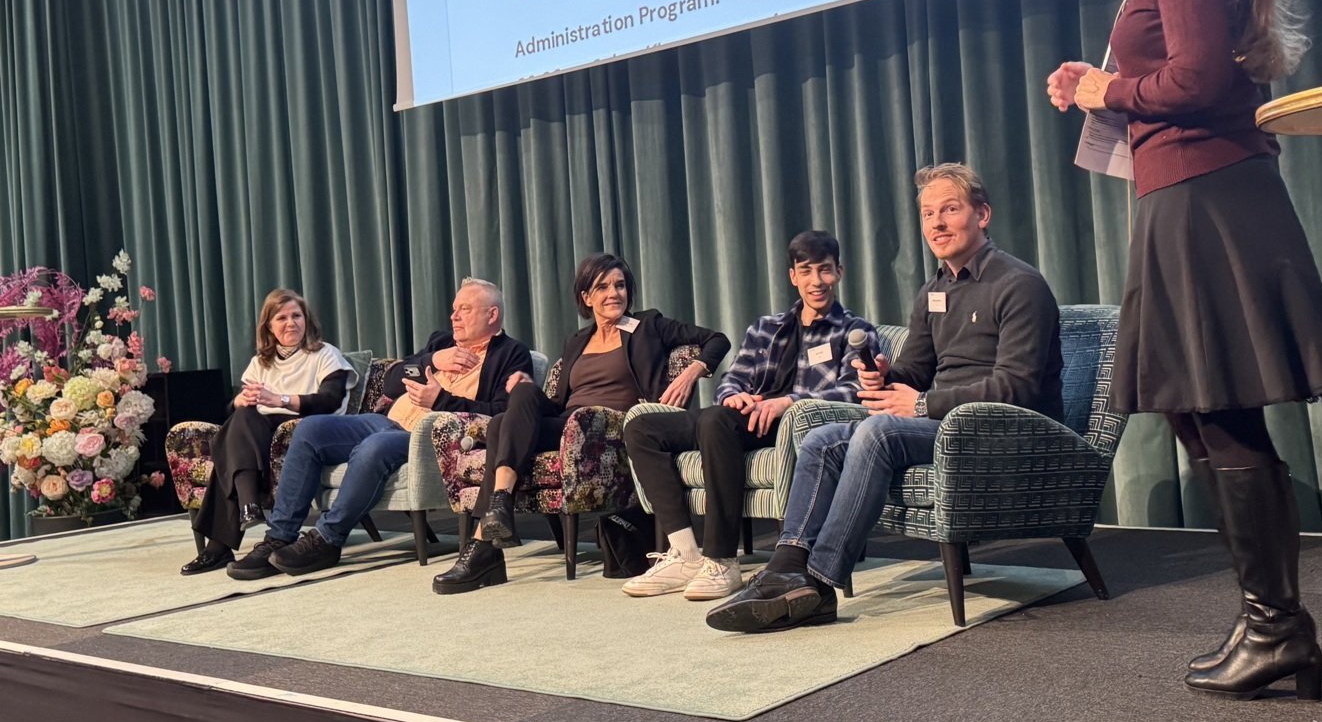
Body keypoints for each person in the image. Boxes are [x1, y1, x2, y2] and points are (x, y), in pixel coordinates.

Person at [1047, 0, 1322, 701]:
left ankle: (1276, 626)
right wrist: (1102, 86)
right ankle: (1274, 622)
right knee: (1201, 410)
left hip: (1202, 199)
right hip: (1196, 194)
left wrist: (1112, 83)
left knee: (1216, 409)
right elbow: (1182, 73)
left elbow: (1196, 78)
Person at [706, 163, 1062, 632]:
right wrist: (880, 374)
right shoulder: (933, 290)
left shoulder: (1019, 284)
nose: (936, 223)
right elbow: (914, 370)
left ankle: (817, 581)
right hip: (949, 425)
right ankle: (786, 566)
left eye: (950, 210)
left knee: (877, 432)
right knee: (821, 439)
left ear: (983, 214)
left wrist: (919, 404)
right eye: (928, 213)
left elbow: (1018, 385)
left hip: (1007, 427)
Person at [432, 252, 731, 594]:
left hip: (608, 430)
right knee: (510, 413)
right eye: (602, 287)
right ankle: (496, 512)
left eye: (619, 285)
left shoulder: (648, 325)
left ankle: (484, 547)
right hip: (567, 426)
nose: (613, 293)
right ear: (587, 298)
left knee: (504, 424)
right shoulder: (577, 341)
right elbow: (557, 403)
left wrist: (694, 370)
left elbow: (717, 339)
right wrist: (525, 392)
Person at [620, 230, 876, 602]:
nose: (816, 281)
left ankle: (722, 559)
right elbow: (732, 377)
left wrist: (787, 401)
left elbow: (855, 391)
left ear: (840, 272)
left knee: (714, 421)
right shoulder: (765, 328)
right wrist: (734, 396)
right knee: (642, 425)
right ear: (793, 276)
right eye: (806, 271)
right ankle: (686, 553)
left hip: (794, 427)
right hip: (744, 418)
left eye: (825, 270)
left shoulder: (854, 331)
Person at [225, 277, 533, 580]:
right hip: (387, 420)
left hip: (427, 436)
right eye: (454, 308)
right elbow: (392, 378)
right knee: (310, 430)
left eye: (464, 309)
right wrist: (434, 358)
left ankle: (327, 539)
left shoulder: (510, 354)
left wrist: (441, 400)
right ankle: (280, 536)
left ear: (491, 315)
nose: (454, 316)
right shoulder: (441, 342)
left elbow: (502, 415)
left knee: (373, 447)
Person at [180, 289, 356, 574]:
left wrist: (281, 400)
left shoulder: (325, 354)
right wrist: (239, 401)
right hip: (257, 437)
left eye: (296, 316)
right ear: (269, 327)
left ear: (307, 320)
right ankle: (244, 511)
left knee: (234, 437)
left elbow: (330, 399)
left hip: (308, 431)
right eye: (282, 318)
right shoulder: (261, 362)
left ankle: (220, 543)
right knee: (242, 417)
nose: (291, 323)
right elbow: (233, 411)